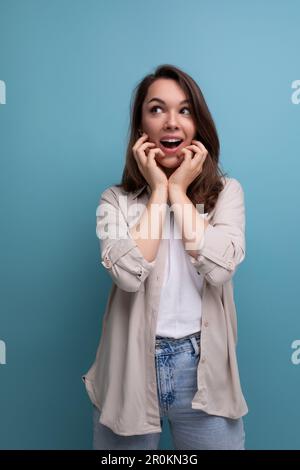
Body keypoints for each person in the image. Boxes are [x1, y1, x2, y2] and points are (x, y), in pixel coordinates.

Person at [82, 64, 248, 450]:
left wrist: (179, 193)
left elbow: (221, 269)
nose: (171, 122)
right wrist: (159, 192)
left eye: (185, 110)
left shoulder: (228, 194)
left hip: (204, 373)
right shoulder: (114, 201)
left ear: (198, 125)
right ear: (141, 127)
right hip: (129, 371)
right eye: (156, 109)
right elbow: (127, 275)